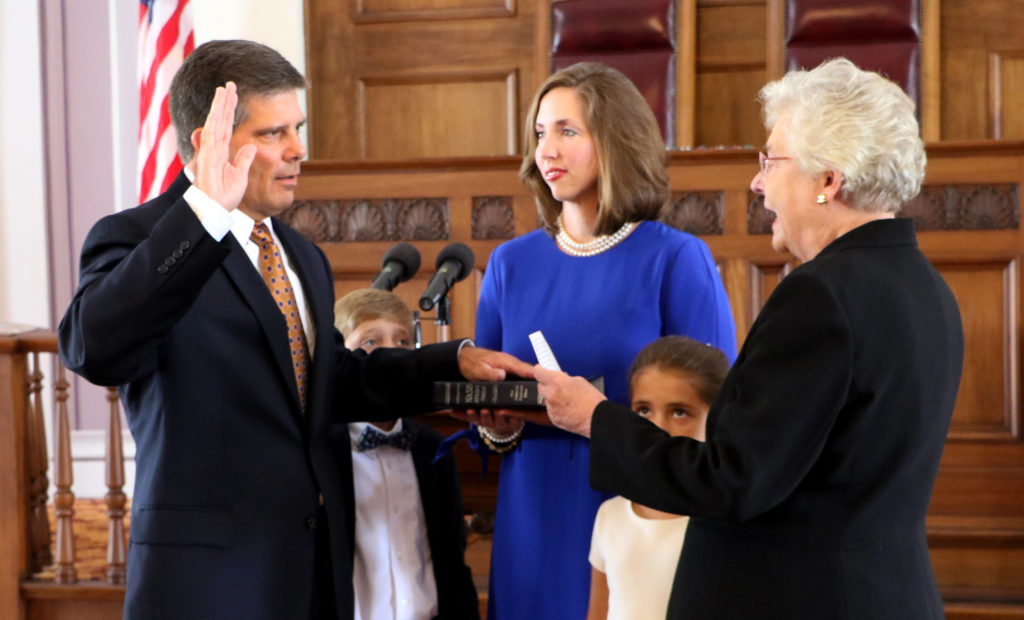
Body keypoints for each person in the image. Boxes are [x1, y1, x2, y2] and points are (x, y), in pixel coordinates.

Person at [57, 40, 530, 620]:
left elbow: (331, 381)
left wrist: (449, 365)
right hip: (206, 584)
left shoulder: (302, 256)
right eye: (273, 134)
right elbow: (93, 348)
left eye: (297, 129)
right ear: (211, 141)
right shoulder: (137, 238)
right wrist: (204, 212)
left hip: (312, 575)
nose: (299, 150)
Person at [537, 57, 964, 619]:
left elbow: (732, 481)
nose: (758, 182)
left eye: (771, 160)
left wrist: (596, 417)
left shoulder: (820, 297)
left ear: (828, 181)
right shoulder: (927, 288)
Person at [466, 62, 737, 620]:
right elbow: (485, 400)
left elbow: (719, 418)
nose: (548, 150)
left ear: (614, 140)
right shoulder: (510, 265)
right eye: (540, 133)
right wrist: (496, 427)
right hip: (534, 508)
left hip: (641, 511)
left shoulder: (675, 258)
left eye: (568, 130)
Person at [332, 288, 480, 620]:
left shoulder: (433, 447)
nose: (393, 356)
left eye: (402, 343)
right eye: (370, 343)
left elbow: (452, 558)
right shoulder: (321, 451)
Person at [586, 336, 728, 620]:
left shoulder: (728, 524)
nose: (658, 429)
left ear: (717, 420)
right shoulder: (610, 516)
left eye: (679, 412)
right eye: (644, 411)